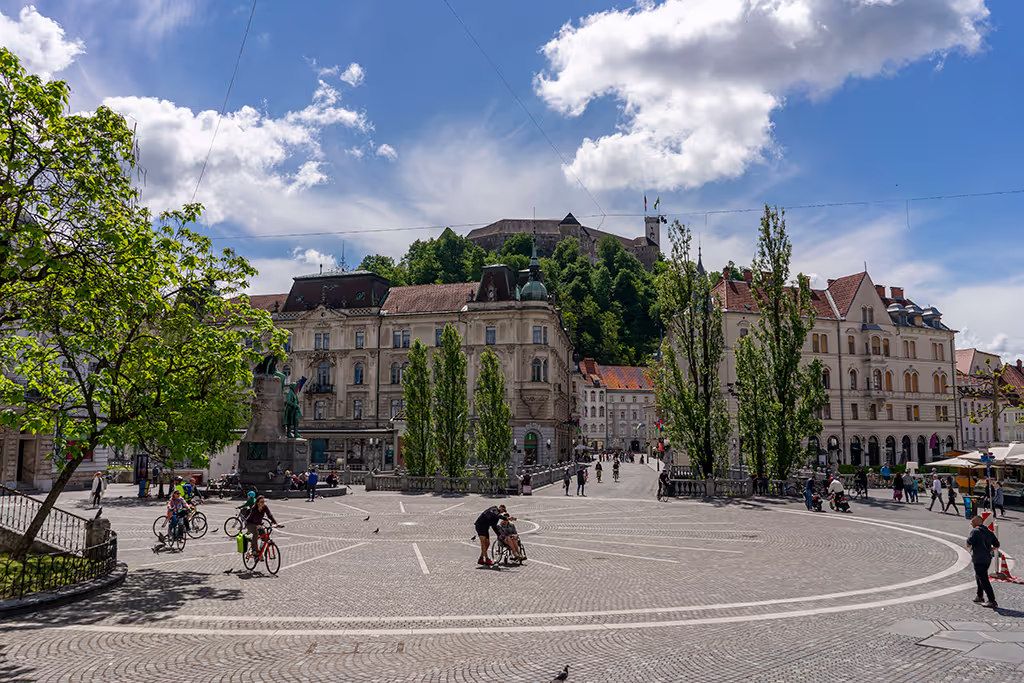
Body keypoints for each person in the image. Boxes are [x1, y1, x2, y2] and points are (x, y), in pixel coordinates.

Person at [966, 515, 999, 608]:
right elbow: (997, 544)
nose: (971, 524)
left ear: (976, 522)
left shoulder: (975, 531)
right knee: (979, 576)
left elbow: (968, 543)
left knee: (983, 580)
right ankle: (979, 596)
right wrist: (991, 550)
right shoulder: (989, 532)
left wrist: (969, 544)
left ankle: (992, 600)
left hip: (978, 558)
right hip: (987, 558)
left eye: (972, 522)